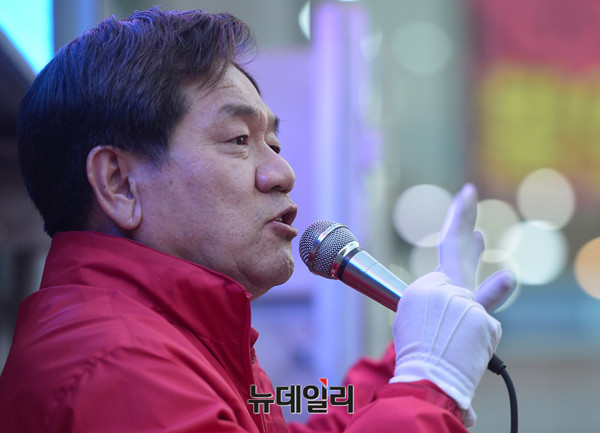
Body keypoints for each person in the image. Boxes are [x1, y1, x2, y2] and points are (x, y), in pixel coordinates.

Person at [0, 8, 514, 433]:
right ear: (119, 183)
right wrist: (429, 383)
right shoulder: (115, 366)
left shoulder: (175, 340)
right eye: (239, 140)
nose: (282, 173)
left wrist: (416, 354)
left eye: (274, 143)